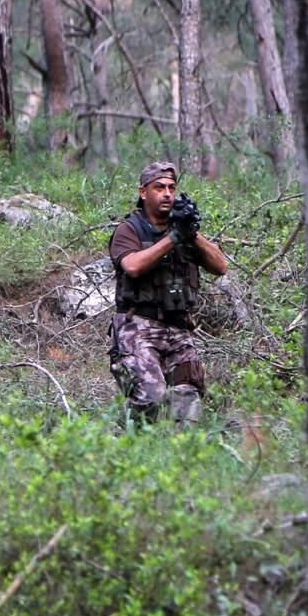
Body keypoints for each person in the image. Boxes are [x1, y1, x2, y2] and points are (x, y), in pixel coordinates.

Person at [108, 161, 228, 423]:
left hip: (178, 328)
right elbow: (134, 266)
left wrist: (191, 233)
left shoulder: (184, 231)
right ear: (143, 193)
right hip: (137, 326)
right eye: (159, 187)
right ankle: (124, 431)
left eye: (172, 188)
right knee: (151, 398)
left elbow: (221, 267)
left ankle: (182, 460)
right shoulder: (129, 230)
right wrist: (173, 238)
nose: (167, 194)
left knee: (187, 405)